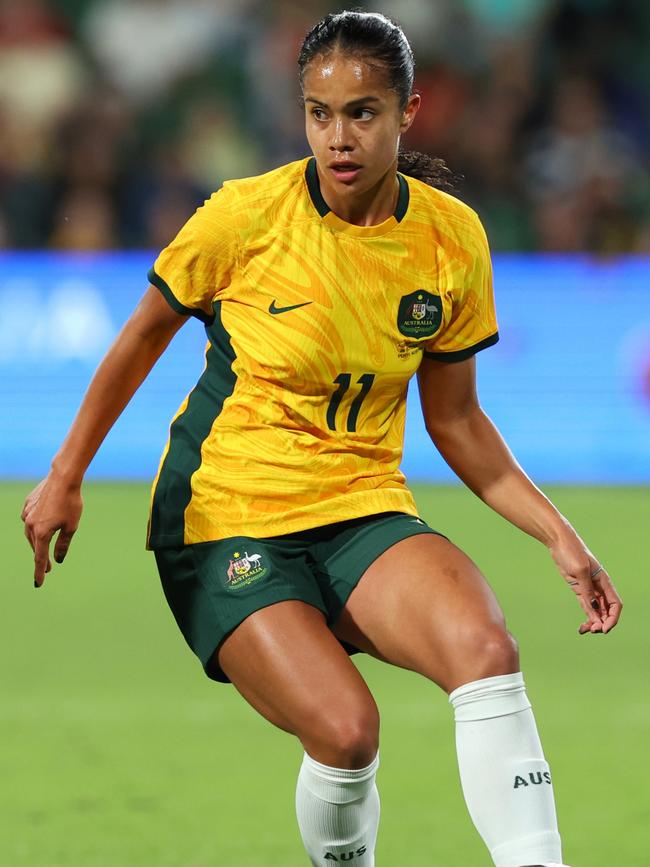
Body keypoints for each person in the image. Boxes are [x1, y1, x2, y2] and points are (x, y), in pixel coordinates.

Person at [22, 11, 622, 867]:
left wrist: (560, 533)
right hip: (226, 514)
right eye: (319, 113)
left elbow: (455, 421)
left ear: (408, 112)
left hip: (360, 506)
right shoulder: (245, 216)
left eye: (363, 113)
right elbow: (140, 337)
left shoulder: (452, 237)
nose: (337, 137)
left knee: (487, 648)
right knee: (346, 733)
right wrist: (66, 472)